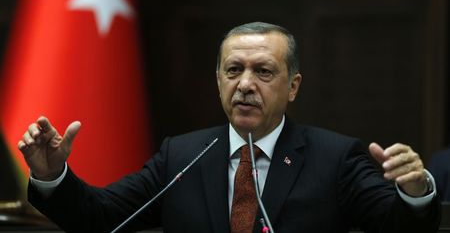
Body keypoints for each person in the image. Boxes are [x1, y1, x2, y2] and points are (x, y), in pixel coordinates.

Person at [19, 22, 440, 233]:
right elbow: (100, 218)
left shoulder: (335, 157)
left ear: (293, 86)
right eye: (234, 70)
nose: (245, 85)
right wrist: (51, 174)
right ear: (218, 80)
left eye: (263, 72)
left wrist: (415, 192)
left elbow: (397, 226)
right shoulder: (180, 155)